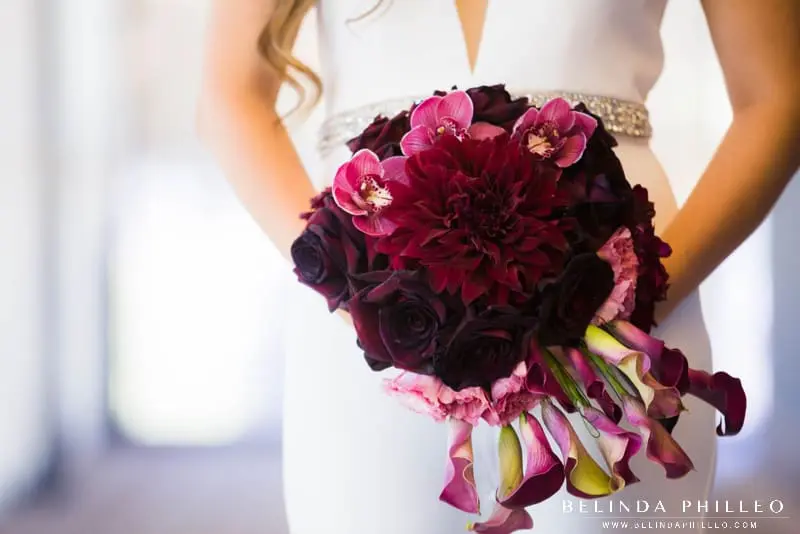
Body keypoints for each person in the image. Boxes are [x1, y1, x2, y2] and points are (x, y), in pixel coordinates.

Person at [197, 1, 800, 532]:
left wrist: (628, 305)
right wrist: (348, 289)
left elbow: (777, 98)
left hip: (620, 315)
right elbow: (230, 93)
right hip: (373, 332)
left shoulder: (627, 308)